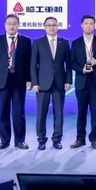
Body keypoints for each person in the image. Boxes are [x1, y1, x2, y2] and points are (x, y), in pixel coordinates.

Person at [0, 14, 32, 150]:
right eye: (9, 23)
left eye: (14, 23)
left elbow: (29, 63)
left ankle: (20, 140)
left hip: (19, 81)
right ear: (5, 25)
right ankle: (4, 140)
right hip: (2, 81)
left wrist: (29, 79)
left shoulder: (25, 41)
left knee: (19, 112)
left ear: (18, 25)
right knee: (3, 112)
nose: (12, 26)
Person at [30, 16, 72, 150]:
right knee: (41, 114)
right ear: (44, 27)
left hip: (59, 83)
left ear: (57, 26)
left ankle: (57, 139)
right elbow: (33, 65)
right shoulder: (38, 42)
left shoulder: (64, 42)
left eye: (54, 25)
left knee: (58, 114)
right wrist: (35, 82)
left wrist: (68, 80)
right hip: (42, 84)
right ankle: (41, 140)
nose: (51, 27)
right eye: (49, 25)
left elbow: (68, 64)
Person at [69, 14, 96, 150]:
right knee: (81, 111)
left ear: (94, 25)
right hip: (81, 82)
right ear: (82, 25)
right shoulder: (75, 43)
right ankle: (80, 139)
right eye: (86, 23)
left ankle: (94, 138)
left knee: (95, 111)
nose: (88, 26)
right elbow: (72, 62)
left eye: (91, 23)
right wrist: (81, 69)